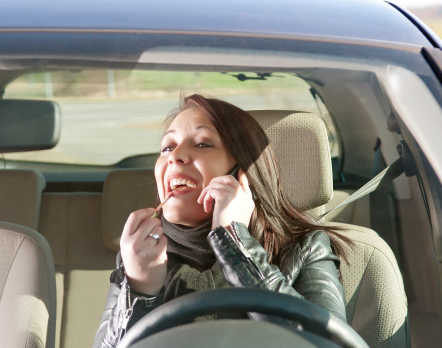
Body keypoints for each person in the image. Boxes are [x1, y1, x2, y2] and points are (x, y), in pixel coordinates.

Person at [93, 94, 350, 347]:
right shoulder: (141, 254)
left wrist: (236, 247)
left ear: (243, 174)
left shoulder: (304, 247)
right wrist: (139, 291)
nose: (174, 156)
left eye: (203, 143)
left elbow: (327, 344)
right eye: (168, 147)